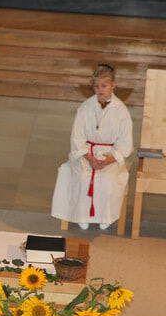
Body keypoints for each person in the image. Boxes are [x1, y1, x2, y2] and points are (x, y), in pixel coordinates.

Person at [51, 64, 133, 230]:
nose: (100, 90)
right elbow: (77, 136)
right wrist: (89, 157)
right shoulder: (85, 107)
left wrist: (109, 159)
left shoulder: (121, 111)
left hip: (109, 155)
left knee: (107, 180)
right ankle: (82, 215)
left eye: (104, 86)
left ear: (113, 85)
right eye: (96, 86)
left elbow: (125, 142)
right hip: (87, 153)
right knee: (83, 176)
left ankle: (105, 216)